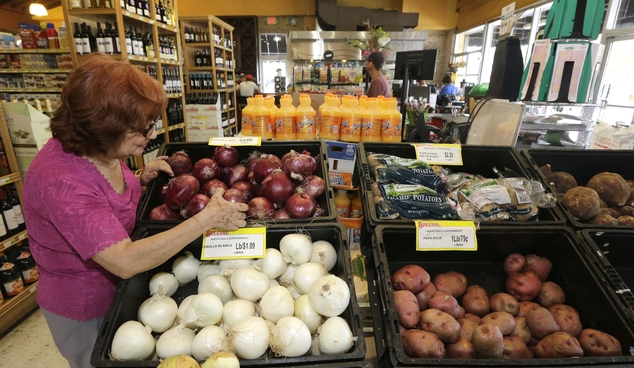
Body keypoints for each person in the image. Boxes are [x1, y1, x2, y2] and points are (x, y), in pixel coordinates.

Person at [22, 54, 248, 368]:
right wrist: (207, 218)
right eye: (143, 130)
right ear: (103, 128)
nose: (153, 135)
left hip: (129, 293)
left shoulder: (101, 149)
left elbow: (105, 202)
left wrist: (140, 180)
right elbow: (125, 260)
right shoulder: (60, 179)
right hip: (90, 309)